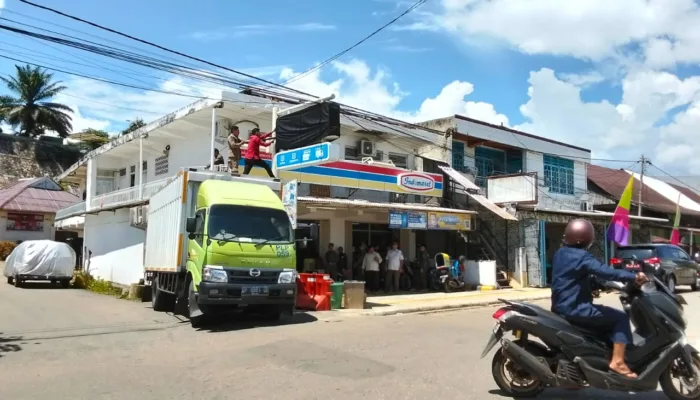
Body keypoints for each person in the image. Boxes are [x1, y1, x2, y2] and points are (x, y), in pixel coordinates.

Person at [551, 218, 648, 379]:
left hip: (562, 307)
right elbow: (604, 271)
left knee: (605, 320)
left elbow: (572, 276)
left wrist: (598, 285)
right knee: (620, 318)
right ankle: (617, 361)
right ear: (585, 237)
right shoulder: (581, 256)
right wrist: (633, 276)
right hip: (576, 309)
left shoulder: (560, 253)